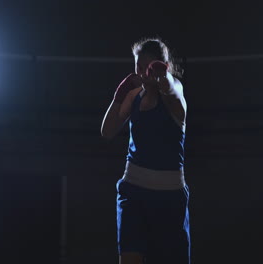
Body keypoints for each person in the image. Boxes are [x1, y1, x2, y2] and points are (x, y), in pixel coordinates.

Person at [100, 37, 190, 264]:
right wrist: (119, 95)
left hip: (169, 196)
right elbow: (107, 131)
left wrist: (163, 76)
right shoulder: (134, 95)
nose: (142, 72)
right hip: (133, 192)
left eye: (148, 67)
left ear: (162, 66)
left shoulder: (175, 92)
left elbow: (171, 90)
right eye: (138, 67)